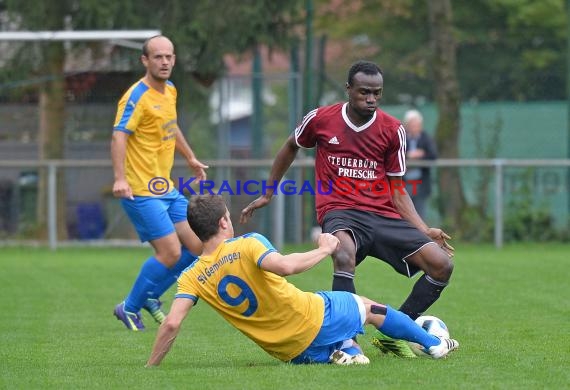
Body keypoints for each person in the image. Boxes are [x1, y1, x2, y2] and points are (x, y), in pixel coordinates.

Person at [240, 60, 455, 357]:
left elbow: (397, 189)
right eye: (364, 92)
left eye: (377, 93)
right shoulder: (321, 119)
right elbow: (291, 145)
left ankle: (398, 329)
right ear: (348, 89)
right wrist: (268, 193)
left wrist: (423, 229)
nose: (371, 99)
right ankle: (346, 342)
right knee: (342, 253)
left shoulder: (393, 130)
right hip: (339, 210)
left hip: (381, 214)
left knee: (441, 264)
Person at [145, 195, 459, 366]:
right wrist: (323, 249)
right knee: (371, 308)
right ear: (224, 221)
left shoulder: (191, 277)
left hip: (287, 351)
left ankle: (344, 353)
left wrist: (151, 368)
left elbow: (171, 324)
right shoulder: (247, 244)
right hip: (312, 317)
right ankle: (434, 345)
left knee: (341, 332)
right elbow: (284, 267)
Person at [111, 35, 208, 331]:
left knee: (198, 246)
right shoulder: (135, 96)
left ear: (174, 59)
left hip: (164, 188)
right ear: (145, 61)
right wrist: (119, 178)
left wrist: (190, 157)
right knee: (170, 252)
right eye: (158, 57)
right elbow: (118, 135)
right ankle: (129, 308)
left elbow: (171, 125)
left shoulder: (170, 91)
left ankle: (149, 295)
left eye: (169, 56)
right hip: (140, 190)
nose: (164, 62)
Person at [403, 109, 438, 220]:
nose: (415, 127)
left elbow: (433, 155)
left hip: (421, 183)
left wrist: (420, 156)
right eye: (412, 125)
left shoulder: (426, 138)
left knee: (420, 215)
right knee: (405, 214)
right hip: (404, 184)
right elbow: (393, 155)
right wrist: (409, 156)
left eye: (417, 125)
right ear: (407, 125)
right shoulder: (401, 138)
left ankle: (420, 237)